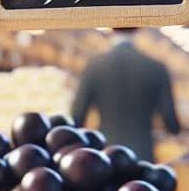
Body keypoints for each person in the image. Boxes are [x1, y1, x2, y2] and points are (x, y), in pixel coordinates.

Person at [71, 28, 180, 161]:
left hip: (105, 151)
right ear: (138, 29)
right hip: (142, 151)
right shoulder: (156, 67)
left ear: (110, 30)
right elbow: (170, 120)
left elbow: (77, 114)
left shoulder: (94, 66)